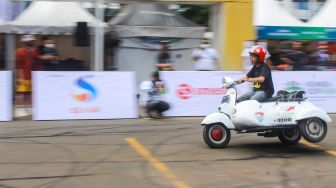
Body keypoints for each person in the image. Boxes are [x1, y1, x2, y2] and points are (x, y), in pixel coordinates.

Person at [15, 34, 39, 116]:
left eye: (32, 42)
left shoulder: (34, 51)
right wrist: (19, 77)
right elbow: (18, 66)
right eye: (30, 42)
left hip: (32, 75)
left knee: (31, 92)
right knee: (21, 93)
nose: (31, 44)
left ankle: (30, 108)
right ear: (24, 42)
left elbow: (36, 62)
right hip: (22, 75)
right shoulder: (19, 51)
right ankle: (19, 109)